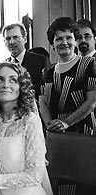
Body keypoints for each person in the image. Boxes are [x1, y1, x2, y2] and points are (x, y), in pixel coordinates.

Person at [0, 62, 51, 195]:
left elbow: (33, 177)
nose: (6, 85)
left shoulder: (30, 121)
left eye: (13, 80)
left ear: (21, 86)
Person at [40, 17, 96, 194]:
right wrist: (50, 125)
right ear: (52, 44)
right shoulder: (47, 72)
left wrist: (66, 123)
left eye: (68, 37)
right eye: (58, 39)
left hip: (82, 133)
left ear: (75, 40)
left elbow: (92, 101)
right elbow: (42, 103)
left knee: (82, 184)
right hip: (55, 136)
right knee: (58, 182)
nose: (64, 42)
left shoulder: (89, 64)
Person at [3, 23, 50, 99]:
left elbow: (46, 94)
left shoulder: (41, 61)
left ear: (25, 39)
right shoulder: (2, 66)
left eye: (16, 37)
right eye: (8, 39)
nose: (11, 42)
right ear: (4, 42)